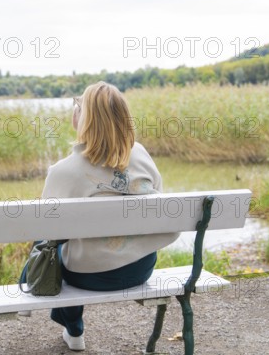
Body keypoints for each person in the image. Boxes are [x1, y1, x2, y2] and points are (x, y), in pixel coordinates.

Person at [41, 81, 179, 351]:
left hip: (89, 275)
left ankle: (74, 328)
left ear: (83, 118)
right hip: (140, 267)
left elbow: (47, 229)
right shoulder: (140, 154)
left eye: (77, 105)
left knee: (49, 248)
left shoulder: (63, 171)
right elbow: (160, 199)